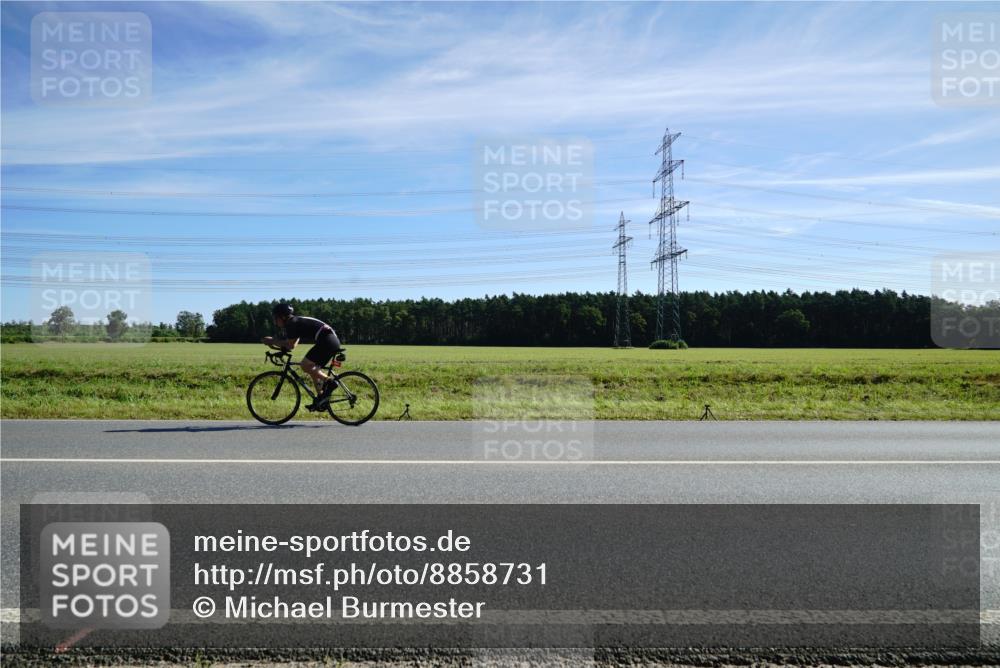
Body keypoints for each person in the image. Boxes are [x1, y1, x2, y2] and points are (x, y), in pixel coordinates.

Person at [262, 303, 342, 410]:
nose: (275, 321)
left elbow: (290, 345)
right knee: (313, 369)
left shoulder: (292, 323)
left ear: (283, 317)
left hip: (327, 340)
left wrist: (272, 340)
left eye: (276, 318)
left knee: (305, 365)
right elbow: (292, 345)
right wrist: (278, 346)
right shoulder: (294, 322)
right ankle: (321, 400)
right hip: (329, 340)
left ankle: (330, 382)